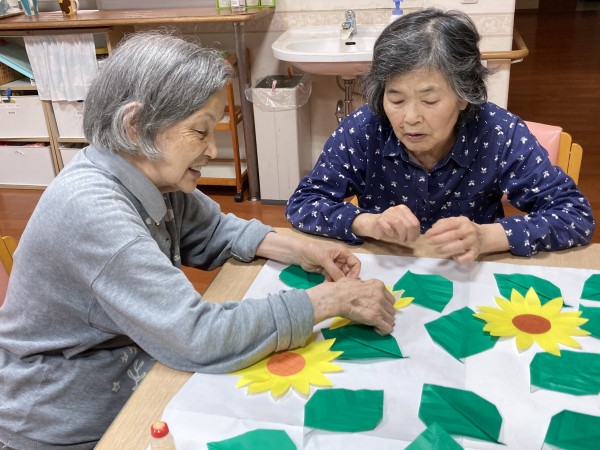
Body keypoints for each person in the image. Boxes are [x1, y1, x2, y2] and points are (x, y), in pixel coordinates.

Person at [0, 31, 396, 449]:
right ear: (135, 126)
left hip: (135, 373)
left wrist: (301, 249)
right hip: (64, 421)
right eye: (200, 131)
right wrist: (328, 301)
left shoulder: (148, 175)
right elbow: (196, 336)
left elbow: (214, 231)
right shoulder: (93, 211)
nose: (211, 149)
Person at [286, 8, 594, 263]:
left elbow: (575, 215)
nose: (410, 118)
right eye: (396, 99)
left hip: (471, 273)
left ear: (464, 96)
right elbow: (304, 203)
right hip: (388, 274)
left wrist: (487, 236)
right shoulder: (365, 128)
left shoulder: (499, 133)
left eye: (430, 100)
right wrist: (368, 222)